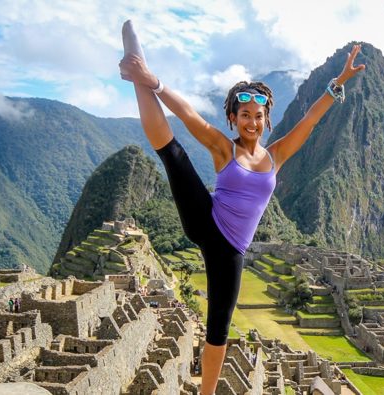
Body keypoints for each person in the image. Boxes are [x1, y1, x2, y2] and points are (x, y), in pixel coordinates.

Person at [119, 22, 365, 395]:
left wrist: (338, 82)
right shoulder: (224, 148)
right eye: (244, 115)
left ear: (266, 120)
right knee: (173, 154)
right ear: (233, 118)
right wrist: (152, 81)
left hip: (231, 251)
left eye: (258, 116)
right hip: (206, 220)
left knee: (219, 324)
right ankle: (138, 70)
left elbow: (310, 119)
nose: (252, 122)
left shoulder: (276, 154)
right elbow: (188, 116)